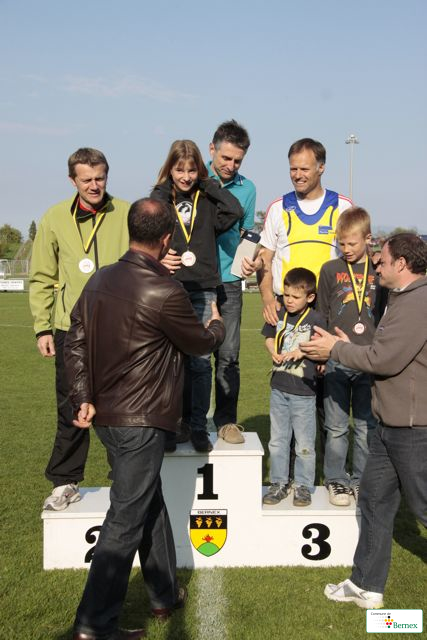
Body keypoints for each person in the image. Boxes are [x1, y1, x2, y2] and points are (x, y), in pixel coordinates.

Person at [65, 198, 225, 640]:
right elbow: (199, 344)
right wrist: (217, 324)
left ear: (130, 230)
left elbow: (74, 340)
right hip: (141, 420)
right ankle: (93, 624)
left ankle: (163, 594)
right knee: (125, 519)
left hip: (107, 417)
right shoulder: (165, 291)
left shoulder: (100, 278)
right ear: (167, 239)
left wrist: (82, 396)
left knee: (148, 502)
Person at [300, 233, 427, 609]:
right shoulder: (403, 297)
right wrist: (347, 345)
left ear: (401, 263)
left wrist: (335, 349)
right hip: (389, 425)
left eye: (382, 261)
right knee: (373, 502)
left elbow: (383, 360)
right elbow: (381, 351)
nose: (376, 267)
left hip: (413, 429)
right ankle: (366, 586)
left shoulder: (417, 301)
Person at [29, 148, 129, 511]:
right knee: (72, 406)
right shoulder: (55, 217)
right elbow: (42, 276)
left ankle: (126, 480)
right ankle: (65, 482)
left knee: (121, 408)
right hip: (70, 331)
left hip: (119, 330)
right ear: (73, 181)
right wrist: (42, 328)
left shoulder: (126, 213)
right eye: (86, 179)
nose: (94, 185)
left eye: (100, 178)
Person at [151, 139, 243, 453]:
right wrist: (160, 256)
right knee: (171, 363)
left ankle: (199, 428)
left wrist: (208, 183)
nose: (186, 177)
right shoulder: (162, 198)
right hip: (171, 288)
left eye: (192, 171)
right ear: (170, 169)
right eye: (179, 170)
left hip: (203, 289)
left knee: (201, 363)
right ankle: (172, 427)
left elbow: (235, 210)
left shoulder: (207, 197)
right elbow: (149, 225)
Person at [316, 207, 379, 506]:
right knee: (337, 426)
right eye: (341, 243)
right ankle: (336, 480)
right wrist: (321, 354)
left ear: (368, 239)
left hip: (369, 358)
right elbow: (322, 313)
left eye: (352, 243)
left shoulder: (379, 271)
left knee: (366, 427)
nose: (346, 249)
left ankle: (361, 480)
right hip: (336, 359)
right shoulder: (330, 269)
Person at [257, 138, 352, 326]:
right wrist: (268, 299)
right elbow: (265, 258)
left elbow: (356, 256)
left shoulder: (343, 207)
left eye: (304, 169)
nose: (298, 175)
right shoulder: (278, 208)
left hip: (331, 303)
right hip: (288, 305)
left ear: (321, 168)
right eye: (293, 169)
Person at [207, 119, 257, 444]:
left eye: (237, 160)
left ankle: (226, 423)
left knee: (228, 357)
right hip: (194, 282)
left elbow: (247, 234)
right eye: (226, 157)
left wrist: (249, 261)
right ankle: (191, 422)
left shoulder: (248, 189)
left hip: (229, 283)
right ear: (211, 149)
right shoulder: (192, 179)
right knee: (193, 358)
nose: (231, 165)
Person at [262, 268, 326, 507]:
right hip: (278, 388)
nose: (289, 300)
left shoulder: (316, 319)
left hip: (304, 392)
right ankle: (278, 483)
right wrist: (273, 351)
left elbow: (322, 347)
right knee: (277, 440)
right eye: (286, 295)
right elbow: (269, 336)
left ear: (310, 297)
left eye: (295, 297)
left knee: (304, 443)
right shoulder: (279, 314)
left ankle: (303, 486)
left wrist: (301, 351)